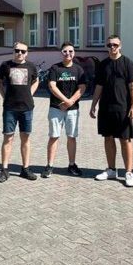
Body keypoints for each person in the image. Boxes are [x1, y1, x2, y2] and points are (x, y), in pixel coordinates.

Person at [90, 35, 133, 187]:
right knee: (108, 138)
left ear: (120, 46)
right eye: (110, 45)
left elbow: (132, 86)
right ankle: (111, 170)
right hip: (106, 108)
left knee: (125, 139)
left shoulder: (127, 63)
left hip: (123, 108)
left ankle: (128, 172)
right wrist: (93, 105)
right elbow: (99, 86)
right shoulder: (103, 64)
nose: (112, 47)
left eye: (115, 45)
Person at [0, 41, 39, 183]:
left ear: (27, 53)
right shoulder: (5, 65)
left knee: (25, 138)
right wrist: (4, 95)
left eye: (23, 51)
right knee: (8, 138)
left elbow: (36, 80)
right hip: (10, 108)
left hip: (27, 108)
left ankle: (25, 169)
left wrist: (31, 94)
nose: (19, 53)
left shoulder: (31, 66)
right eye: (17, 50)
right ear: (13, 51)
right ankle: (4, 170)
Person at [41, 41, 87, 178]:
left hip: (73, 110)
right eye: (65, 51)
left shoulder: (79, 69)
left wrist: (70, 102)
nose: (68, 53)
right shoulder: (55, 68)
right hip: (56, 108)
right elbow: (52, 86)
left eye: (70, 51)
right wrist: (66, 101)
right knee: (54, 136)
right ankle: (49, 166)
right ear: (61, 53)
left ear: (74, 53)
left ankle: (72, 165)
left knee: (71, 137)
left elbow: (82, 88)